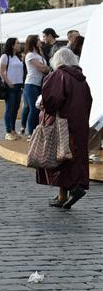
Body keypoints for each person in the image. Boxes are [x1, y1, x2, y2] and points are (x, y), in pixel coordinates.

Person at [38, 48, 92, 209]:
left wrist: (43, 107)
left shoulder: (59, 75)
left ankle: (74, 189)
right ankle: (63, 196)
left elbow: (51, 100)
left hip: (61, 124)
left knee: (58, 158)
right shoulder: (81, 79)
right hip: (79, 125)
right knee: (70, 157)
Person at [21, 34, 50, 139]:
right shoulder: (30, 55)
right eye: (38, 40)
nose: (40, 41)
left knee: (38, 108)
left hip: (38, 84)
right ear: (33, 42)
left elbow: (43, 67)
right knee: (33, 108)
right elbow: (41, 68)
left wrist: (47, 68)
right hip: (31, 84)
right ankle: (31, 133)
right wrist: (50, 69)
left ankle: (36, 131)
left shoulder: (38, 54)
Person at [0, 37, 24, 141]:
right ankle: (8, 131)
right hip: (10, 86)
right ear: (12, 45)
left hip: (18, 85)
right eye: (17, 43)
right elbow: (1, 72)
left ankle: (13, 130)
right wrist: (9, 83)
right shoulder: (5, 56)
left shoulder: (17, 57)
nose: (19, 45)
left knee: (15, 108)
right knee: (9, 108)